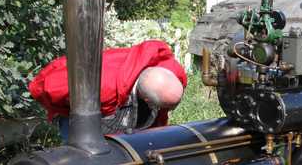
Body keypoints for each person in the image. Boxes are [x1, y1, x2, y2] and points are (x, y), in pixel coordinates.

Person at [29, 39, 187, 139]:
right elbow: (45, 87)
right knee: (79, 155)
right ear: (147, 100)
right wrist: (66, 109)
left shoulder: (175, 74)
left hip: (125, 108)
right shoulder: (98, 86)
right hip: (80, 106)